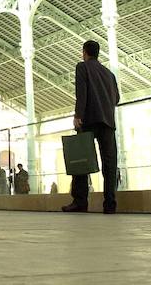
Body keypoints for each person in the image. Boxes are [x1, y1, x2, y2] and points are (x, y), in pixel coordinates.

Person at [63, 40, 120, 214]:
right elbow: (116, 99)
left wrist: (78, 115)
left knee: (81, 160)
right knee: (109, 164)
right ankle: (110, 204)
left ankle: (80, 201)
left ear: (84, 52)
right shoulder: (109, 74)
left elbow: (82, 92)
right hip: (108, 122)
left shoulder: (82, 67)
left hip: (89, 120)